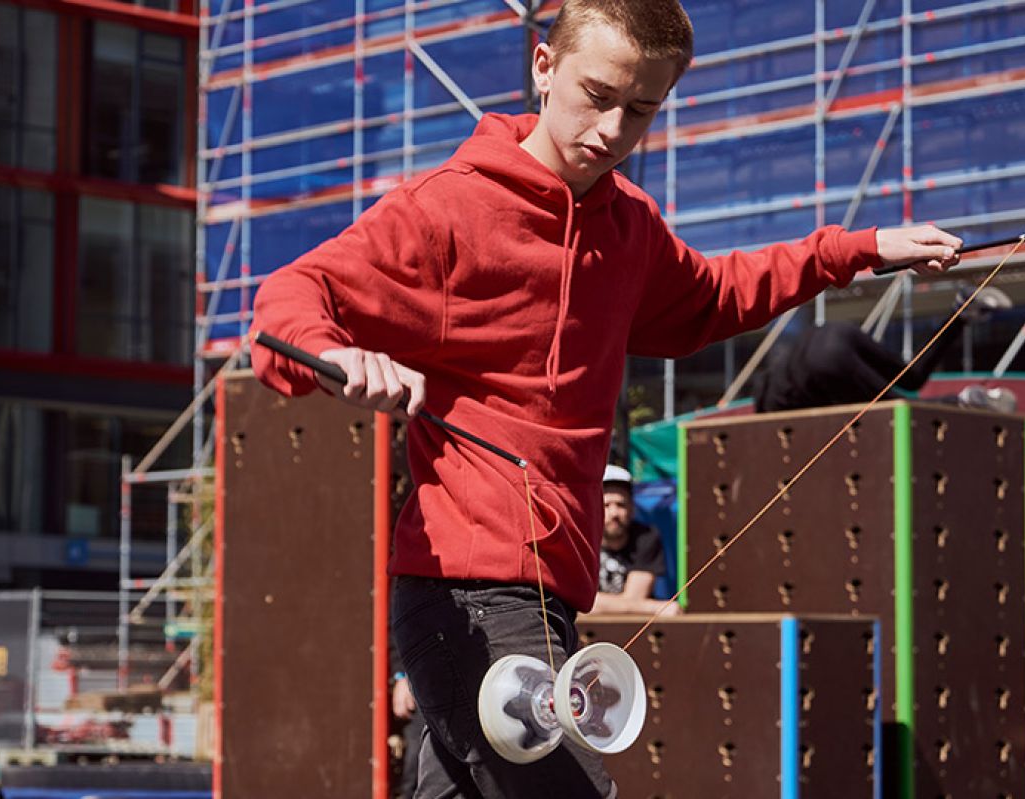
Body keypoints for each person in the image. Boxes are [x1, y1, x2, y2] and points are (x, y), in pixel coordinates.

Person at [251, 1, 965, 794]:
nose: (613, 130)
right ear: (542, 66)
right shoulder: (443, 211)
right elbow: (289, 296)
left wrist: (856, 251)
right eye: (597, 96)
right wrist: (331, 353)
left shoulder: (629, 226)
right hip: (472, 589)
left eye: (641, 110)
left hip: (552, 590)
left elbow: (715, 296)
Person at [752, 287, 1015, 414]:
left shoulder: (775, 414)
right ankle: (961, 311)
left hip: (825, 362)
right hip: (832, 332)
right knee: (911, 376)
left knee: (894, 408)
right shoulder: (771, 384)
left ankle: (966, 401)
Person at [589, 464, 681, 617]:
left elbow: (634, 599)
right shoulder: (582, 540)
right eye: (606, 505)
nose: (614, 513)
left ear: (632, 508)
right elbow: (579, 605)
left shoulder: (645, 537)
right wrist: (653, 608)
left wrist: (597, 604)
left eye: (621, 505)